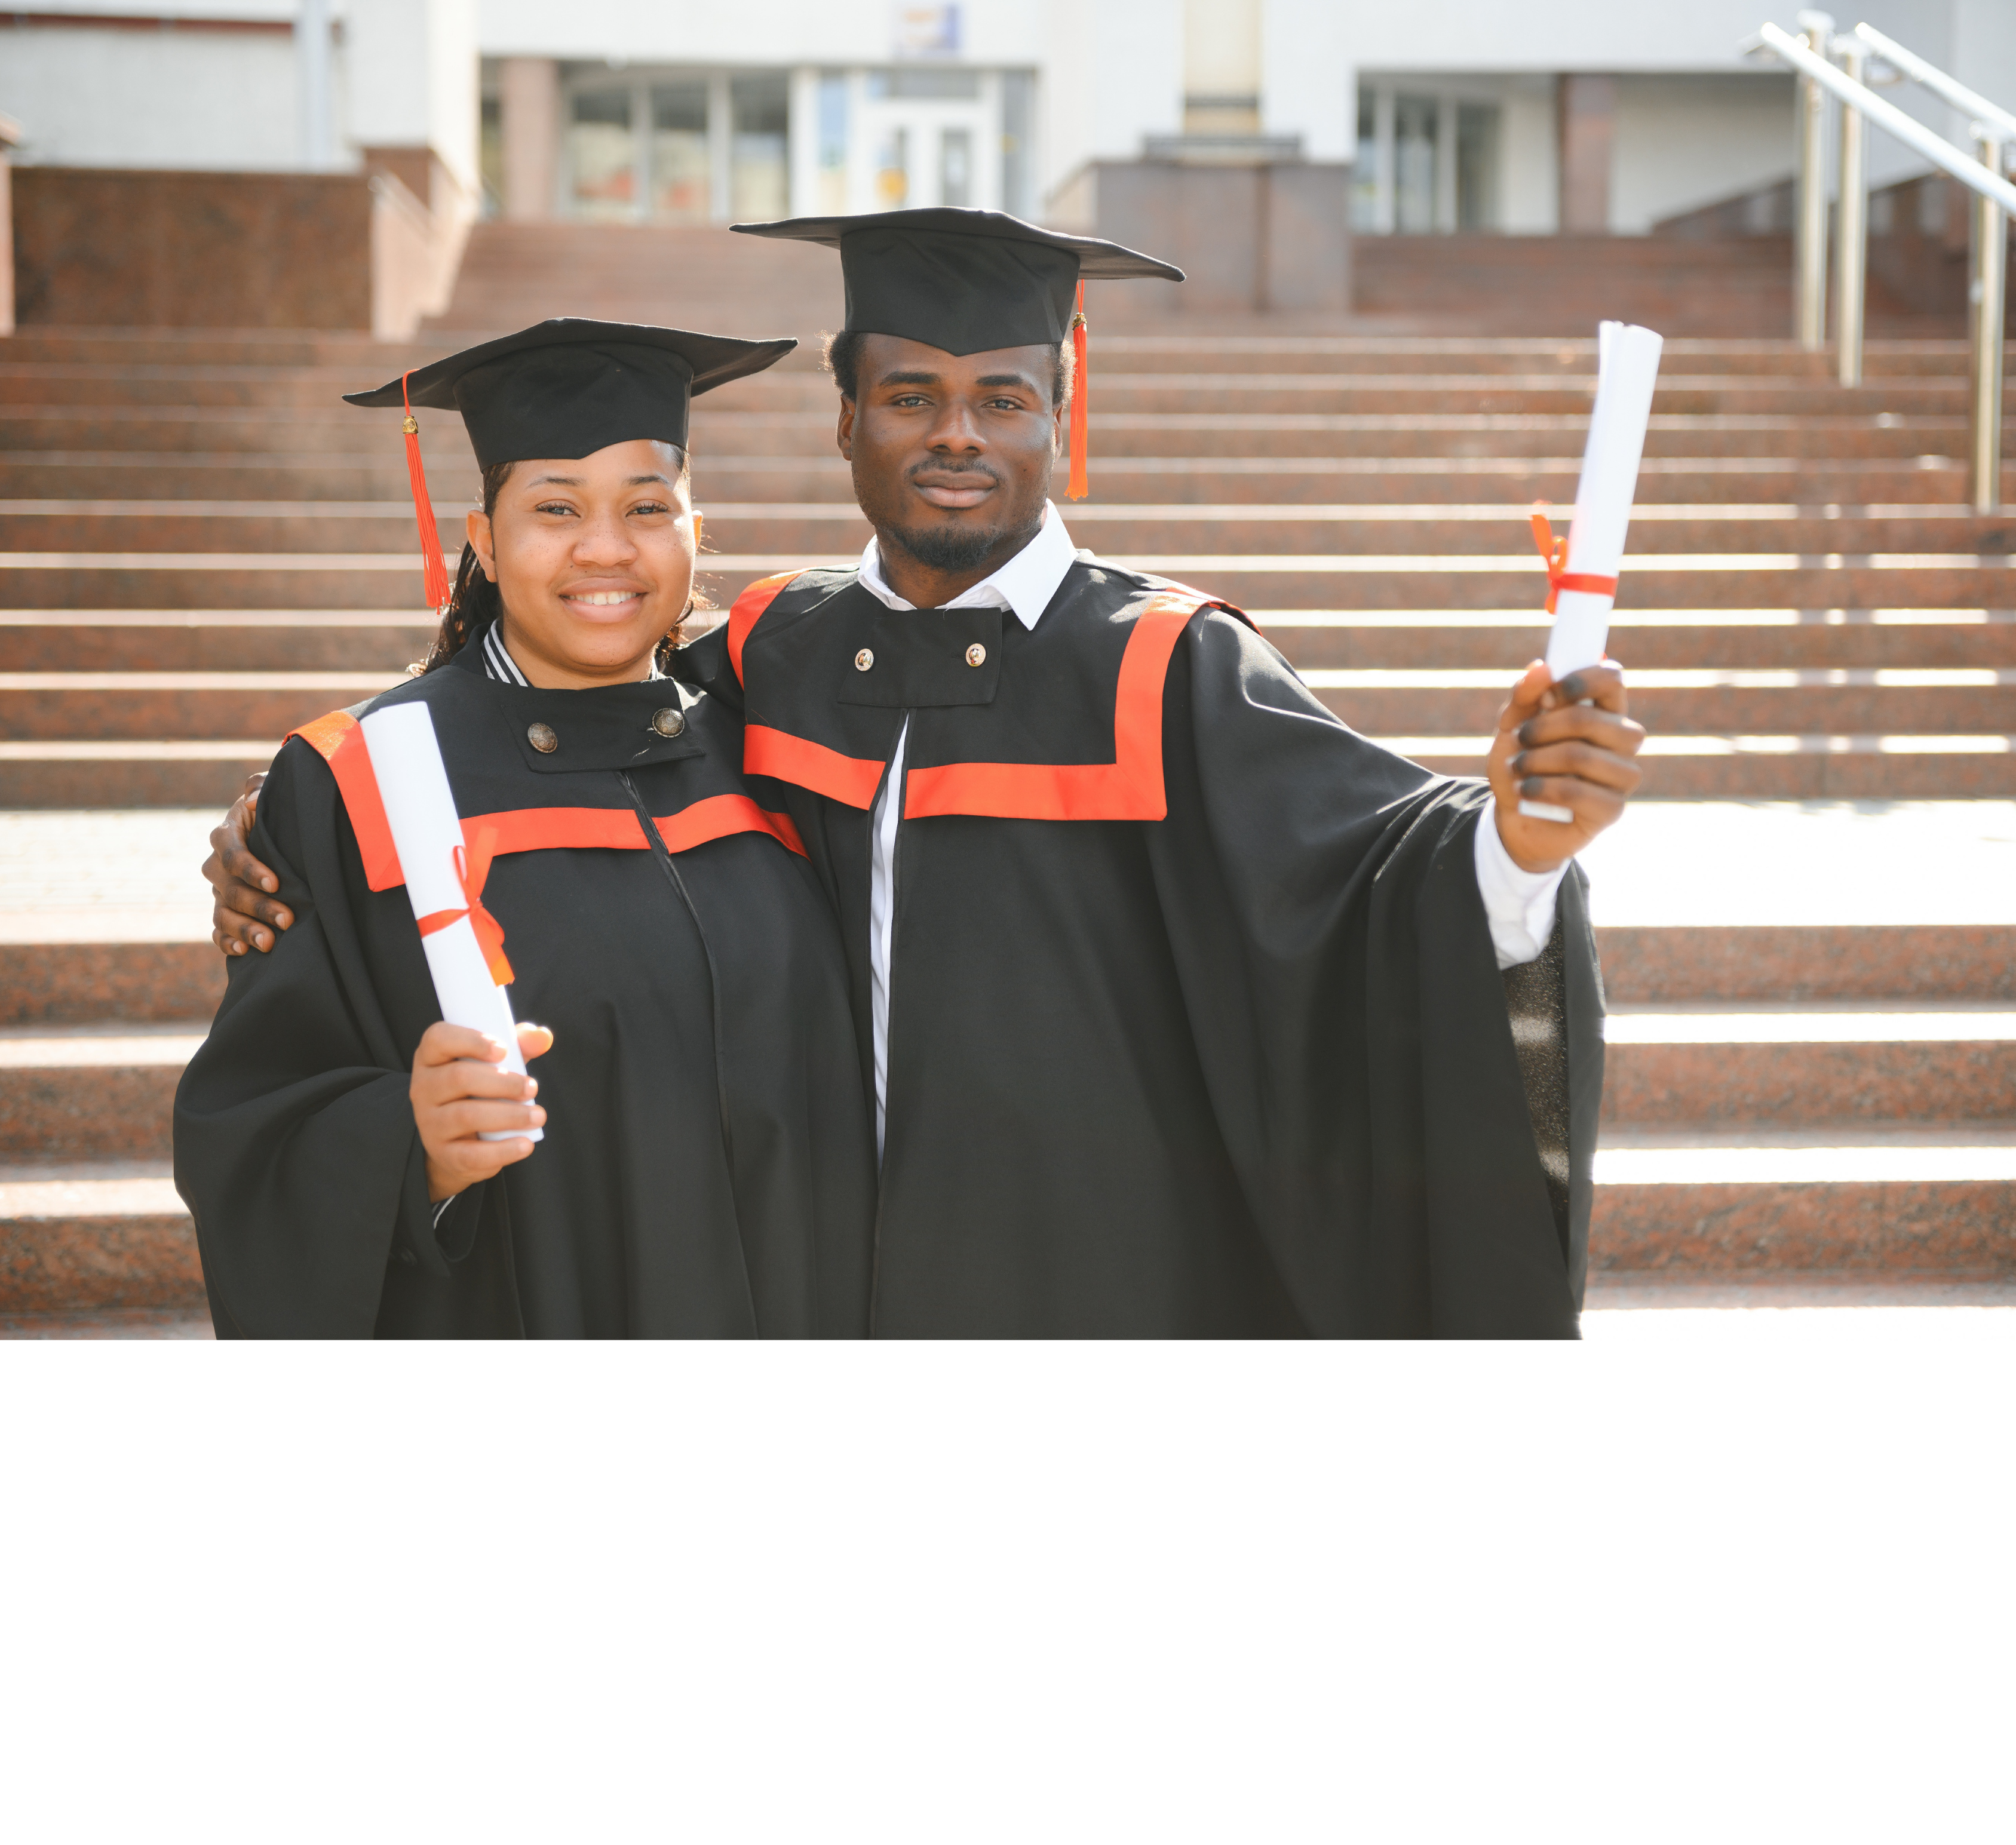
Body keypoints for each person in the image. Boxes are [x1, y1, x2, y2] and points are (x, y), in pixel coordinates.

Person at [206, 213, 1645, 1341]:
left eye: (999, 396)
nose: (955, 434)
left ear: (1056, 416)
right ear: (847, 422)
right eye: (909, 393)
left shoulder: (1166, 666)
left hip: (1092, 1290)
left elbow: (1379, 880)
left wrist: (1516, 848)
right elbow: (556, 713)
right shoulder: (774, 650)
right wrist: (287, 842)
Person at [174, 321, 875, 1340]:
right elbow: (252, 1130)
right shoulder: (355, 783)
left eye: (647, 507)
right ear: (484, 538)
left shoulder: (774, 744)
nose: (606, 547)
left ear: (694, 528)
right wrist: (418, 1151)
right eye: (556, 508)